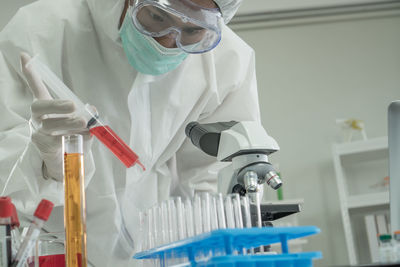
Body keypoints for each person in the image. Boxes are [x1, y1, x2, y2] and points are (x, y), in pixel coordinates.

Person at [0, 0, 261, 265]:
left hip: (157, 252)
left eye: (192, 31)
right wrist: (45, 166)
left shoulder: (227, 60)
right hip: (52, 248)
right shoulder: (41, 30)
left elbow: (209, 184)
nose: (168, 42)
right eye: (157, 16)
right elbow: (5, 183)